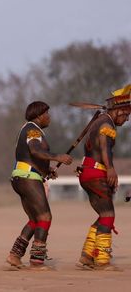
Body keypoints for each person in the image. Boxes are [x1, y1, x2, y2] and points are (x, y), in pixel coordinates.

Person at [5, 101, 72, 270]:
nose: (49, 117)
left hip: (22, 176)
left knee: (35, 219)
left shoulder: (29, 129)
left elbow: (31, 156)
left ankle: (15, 255)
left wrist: (46, 170)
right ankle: (36, 261)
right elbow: (35, 151)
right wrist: (58, 157)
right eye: (47, 114)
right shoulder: (33, 129)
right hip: (28, 178)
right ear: (38, 115)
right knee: (45, 217)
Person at [75, 85, 131, 271]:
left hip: (87, 172)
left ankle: (87, 255)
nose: (127, 118)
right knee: (108, 215)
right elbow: (104, 146)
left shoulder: (98, 121)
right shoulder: (107, 125)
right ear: (119, 110)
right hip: (96, 172)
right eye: (126, 115)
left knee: (103, 214)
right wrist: (110, 169)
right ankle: (102, 261)